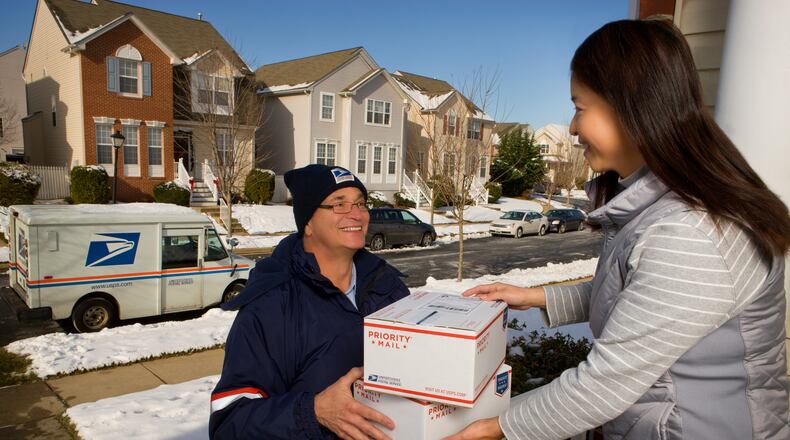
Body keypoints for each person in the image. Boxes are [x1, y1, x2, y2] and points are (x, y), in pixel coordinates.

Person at [446, 19, 790, 440]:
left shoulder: (693, 232)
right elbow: (639, 295)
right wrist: (534, 296)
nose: (572, 128)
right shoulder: (660, 206)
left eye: (580, 107)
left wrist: (491, 428)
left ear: (631, 105)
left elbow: (604, 384)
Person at [209, 164, 409, 439]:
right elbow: (229, 423)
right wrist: (312, 411)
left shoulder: (388, 287)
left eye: (361, 203)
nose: (356, 213)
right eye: (339, 204)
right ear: (308, 223)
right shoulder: (272, 305)